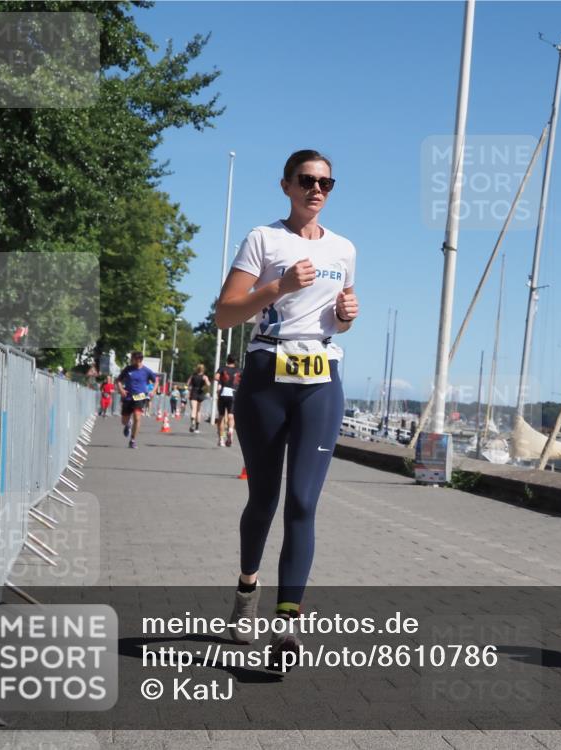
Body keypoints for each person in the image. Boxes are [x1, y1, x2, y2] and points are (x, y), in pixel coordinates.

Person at [214, 149, 358, 664]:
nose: (317, 190)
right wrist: (278, 286)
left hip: (321, 378)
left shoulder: (344, 250)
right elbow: (225, 314)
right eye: (307, 180)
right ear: (287, 186)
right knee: (264, 500)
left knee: (303, 502)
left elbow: (336, 320)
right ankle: (246, 589)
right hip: (266, 377)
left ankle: (287, 626)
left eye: (326, 183)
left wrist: (346, 316)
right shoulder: (264, 238)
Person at [116, 351, 156, 449]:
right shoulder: (128, 369)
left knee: (137, 418)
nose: (131, 361)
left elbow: (156, 380)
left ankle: (132, 440)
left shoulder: (146, 371)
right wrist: (121, 389)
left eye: (133, 359)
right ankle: (128, 424)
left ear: (139, 359)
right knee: (124, 421)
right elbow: (118, 380)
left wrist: (153, 391)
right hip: (128, 396)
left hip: (140, 396)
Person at [216, 354, 241, 447]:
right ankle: (230, 430)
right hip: (233, 394)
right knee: (231, 415)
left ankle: (221, 439)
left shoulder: (222, 369)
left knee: (221, 416)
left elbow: (216, 377)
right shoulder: (239, 370)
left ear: (227, 360)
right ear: (235, 362)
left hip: (223, 393)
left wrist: (221, 382)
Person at [188, 364, 211, 433]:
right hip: (200, 392)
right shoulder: (204, 377)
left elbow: (188, 384)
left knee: (193, 409)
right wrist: (205, 387)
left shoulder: (193, 376)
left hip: (194, 392)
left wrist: (189, 390)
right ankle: (197, 428)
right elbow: (209, 384)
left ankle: (192, 422)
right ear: (203, 369)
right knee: (198, 411)